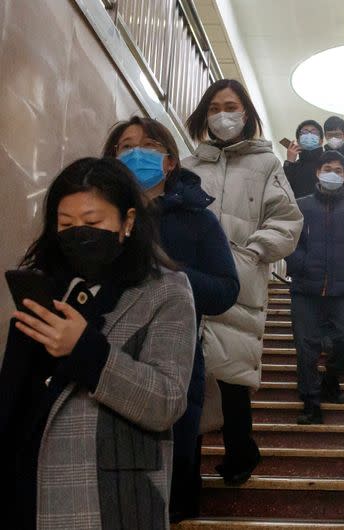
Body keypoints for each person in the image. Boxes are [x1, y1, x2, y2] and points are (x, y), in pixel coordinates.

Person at [0, 157, 196, 529]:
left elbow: (167, 401)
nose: (78, 234)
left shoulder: (165, 291)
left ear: (128, 222)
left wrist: (87, 352)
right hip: (25, 492)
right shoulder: (45, 287)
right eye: (66, 224)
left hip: (111, 501)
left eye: (92, 223)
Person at [102, 116, 240, 521]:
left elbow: (225, 291)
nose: (135, 154)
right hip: (100, 357)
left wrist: (166, 275)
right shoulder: (96, 214)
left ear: (169, 161)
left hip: (174, 365)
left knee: (171, 490)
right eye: (125, 147)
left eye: (147, 146)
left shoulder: (198, 220)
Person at [183, 79, 303, 486]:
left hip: (237, 280)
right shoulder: (187, 167)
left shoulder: (266, 164)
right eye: (214, 107)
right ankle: (186, 470)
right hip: (189, 283)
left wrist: (250, 254)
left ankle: (240, 453)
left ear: (247, 113)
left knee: (232, 374)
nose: (223, 115)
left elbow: (287, 221)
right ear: (204, 115)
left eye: (230, 106)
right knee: (188, 373)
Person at [285, 150, 344, 424]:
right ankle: (311, 403)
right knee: (306, 348)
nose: (332, 173)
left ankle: (331, 380)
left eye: (338, 169)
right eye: (327, 168)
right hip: (305, 291)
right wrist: (300, 264)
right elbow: (289, 240)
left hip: (343, 290)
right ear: (317, 171)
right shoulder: (299, 206)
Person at [284, 119, 325, 199]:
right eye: (305, 132)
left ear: (321, 141)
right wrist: (289, 162)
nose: (309, 134)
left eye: (314, 132)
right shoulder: (292, 165)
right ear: (298, 141)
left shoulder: (328, 163)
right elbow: (283, 189)